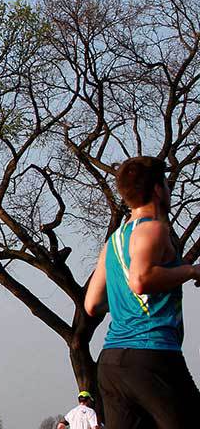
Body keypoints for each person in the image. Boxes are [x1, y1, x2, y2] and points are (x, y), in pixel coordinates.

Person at [85, 156, 200, 428]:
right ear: (159, 189)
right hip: (152, 355)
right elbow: (140, 280)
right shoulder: (154, 228)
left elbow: (92, 304)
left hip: (112, 363)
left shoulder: (113, 242)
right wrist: (192, 271)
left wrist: (127, 300)